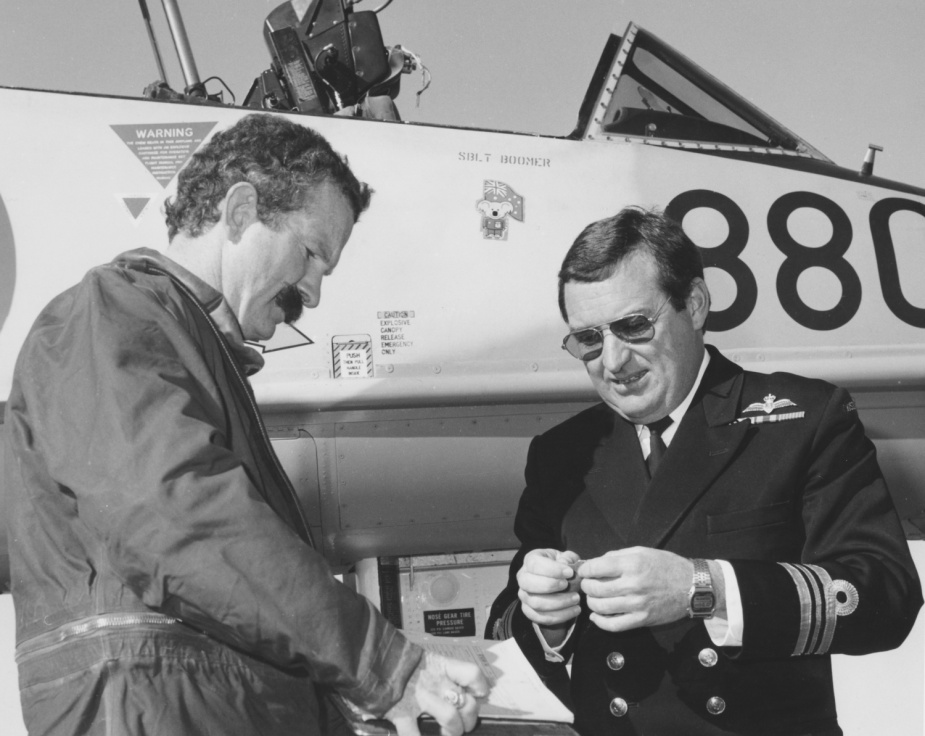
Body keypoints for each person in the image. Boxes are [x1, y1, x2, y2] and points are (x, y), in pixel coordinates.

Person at [2, 113, 488, 736]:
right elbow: (173, 517)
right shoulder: (110, 314)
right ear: (239, 211)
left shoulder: (177, 343)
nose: (312, 293)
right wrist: (379, 662)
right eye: (310, 254)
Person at [485, 206, 922, 736]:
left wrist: (703, 586)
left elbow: (885, 597)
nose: (613, 362)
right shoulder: (563, 453)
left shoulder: (799, 419)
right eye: (589, 340)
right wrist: (544, 614)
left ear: (693, 304)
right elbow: (505, 623)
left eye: (633, 326)